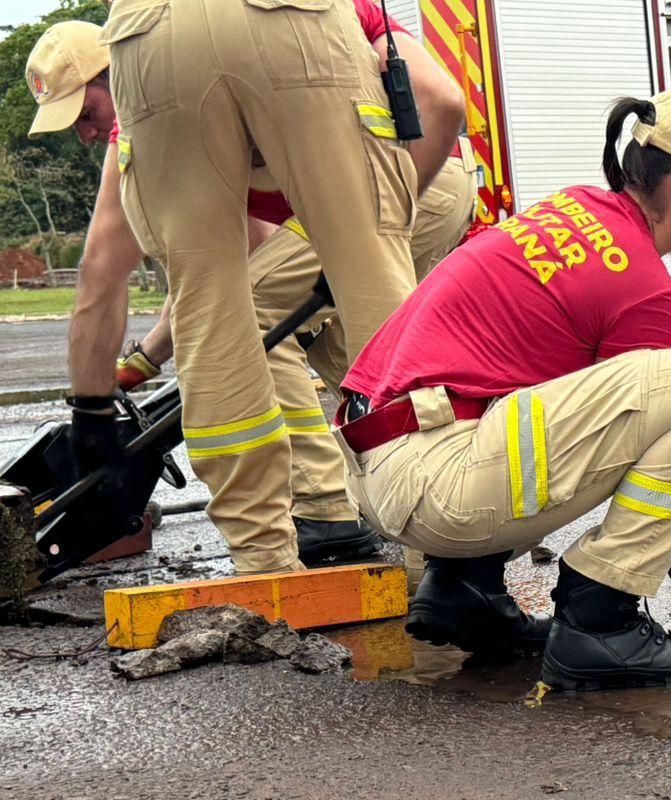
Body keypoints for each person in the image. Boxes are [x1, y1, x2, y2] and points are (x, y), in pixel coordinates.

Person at [338, 84, 671, 689]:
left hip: (372, 461)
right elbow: (668, 464)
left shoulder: (576, 210)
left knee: (553, 386)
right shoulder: (648, 292)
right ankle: (600, 622)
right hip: (435, 483)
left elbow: (556, 392)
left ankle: (463, 591)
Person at [30, 1, 464, 573]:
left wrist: (90, 408)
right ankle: (445, 552)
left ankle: (283, 542)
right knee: (351, 327)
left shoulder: (144, 94)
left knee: (227, 316)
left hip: (150, 24)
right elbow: (242, 262)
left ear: (108, 71)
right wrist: (138, 363)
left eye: (85, 112)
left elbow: (110, 271)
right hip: (297, 25)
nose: (86, 135)